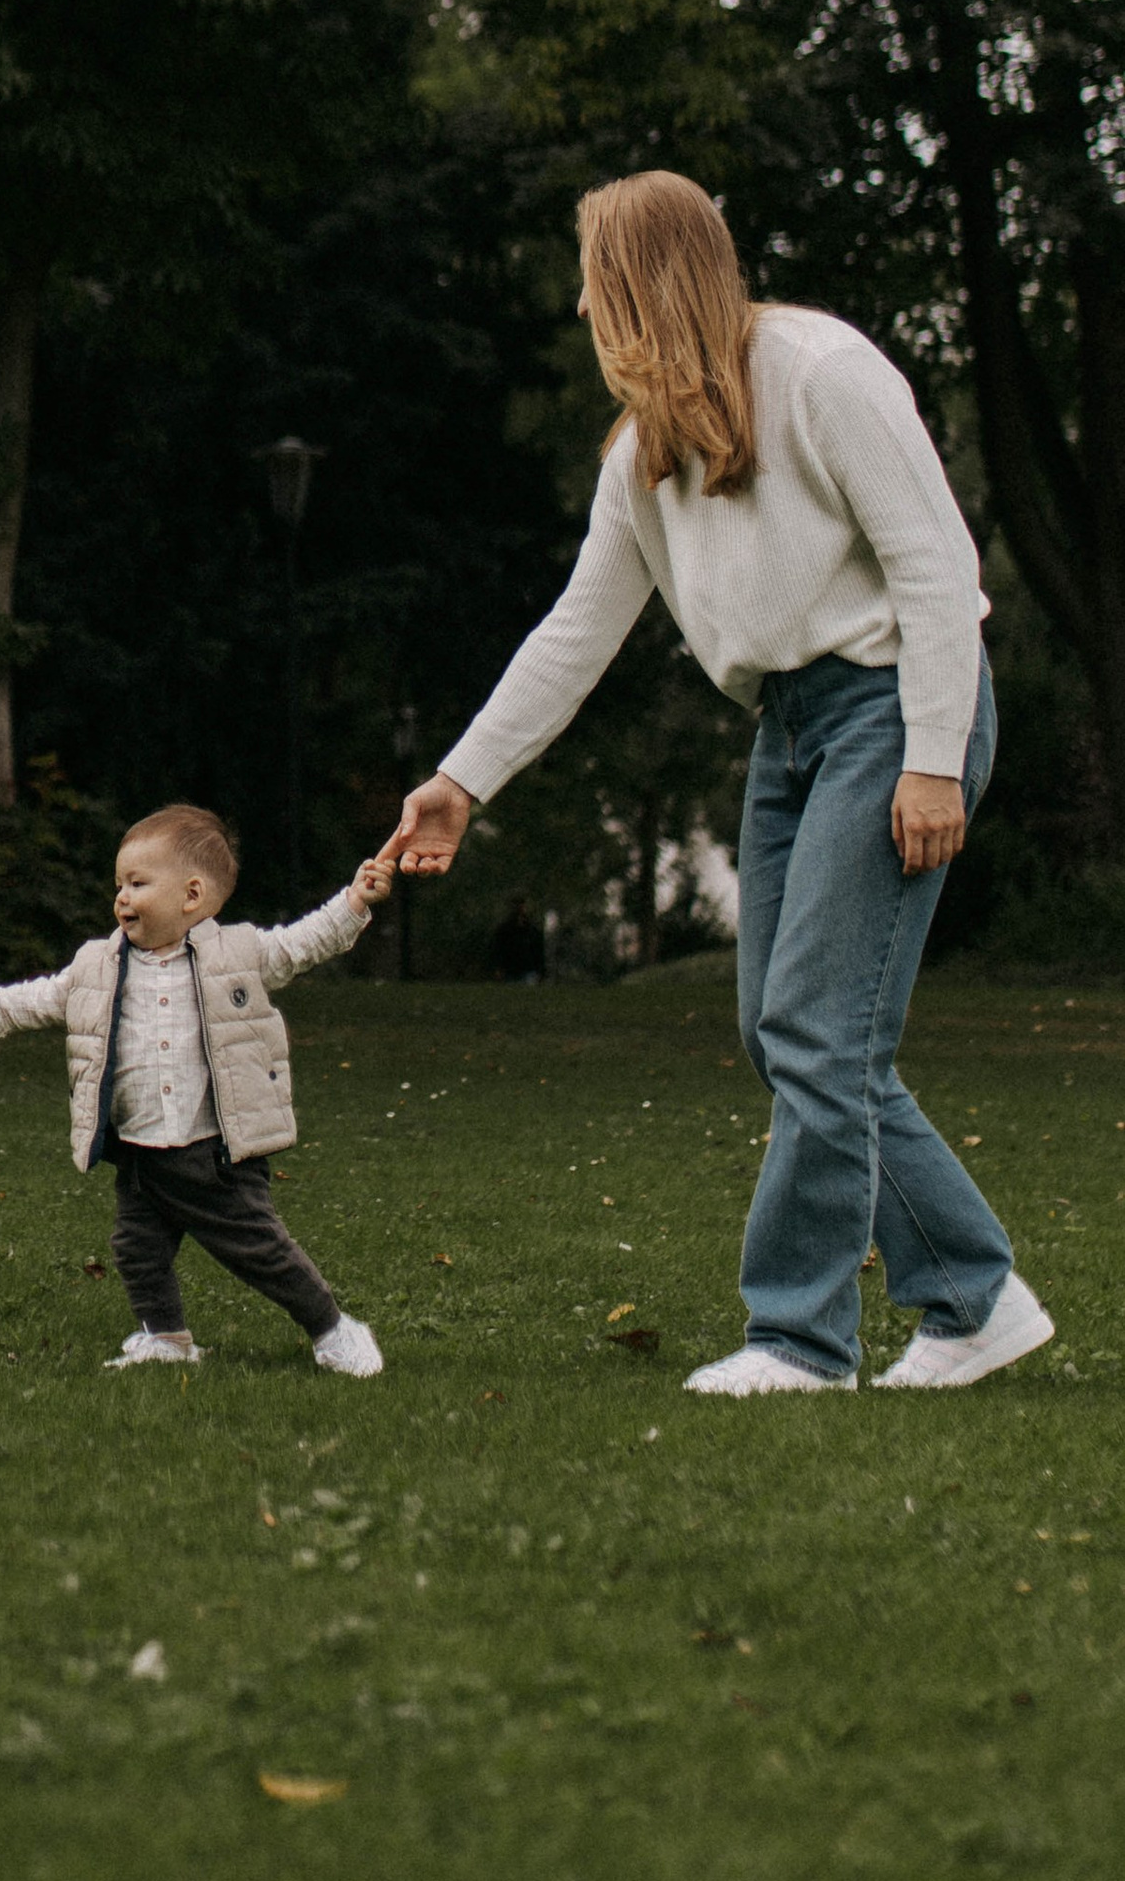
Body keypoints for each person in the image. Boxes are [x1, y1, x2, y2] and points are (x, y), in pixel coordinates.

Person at [394, 171, 1045, 1399]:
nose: (581, 313)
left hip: (896, 706)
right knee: (783, 1029)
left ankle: (798, 1341)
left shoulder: (821, 372)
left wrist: (929, 757)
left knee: (813, 1028)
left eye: (591, 288)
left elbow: (937, 568)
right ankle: (972, 1293)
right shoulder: (641, 456)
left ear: (637, 288)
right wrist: (460, 781)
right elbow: (573, 635)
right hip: (791, 731)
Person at [0, 801, 397, 1377]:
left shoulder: (239, 956)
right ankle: (166, 1337)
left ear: (191, 896)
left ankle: (333, 1329)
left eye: (138, 883)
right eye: (118, 884)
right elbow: (39, 997)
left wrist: (355, 902)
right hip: (139, 1148)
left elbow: (303, 942)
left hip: (212, 1150)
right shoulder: (97, 965)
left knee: (259, 1251)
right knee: (138, 1252)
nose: (121, 897)